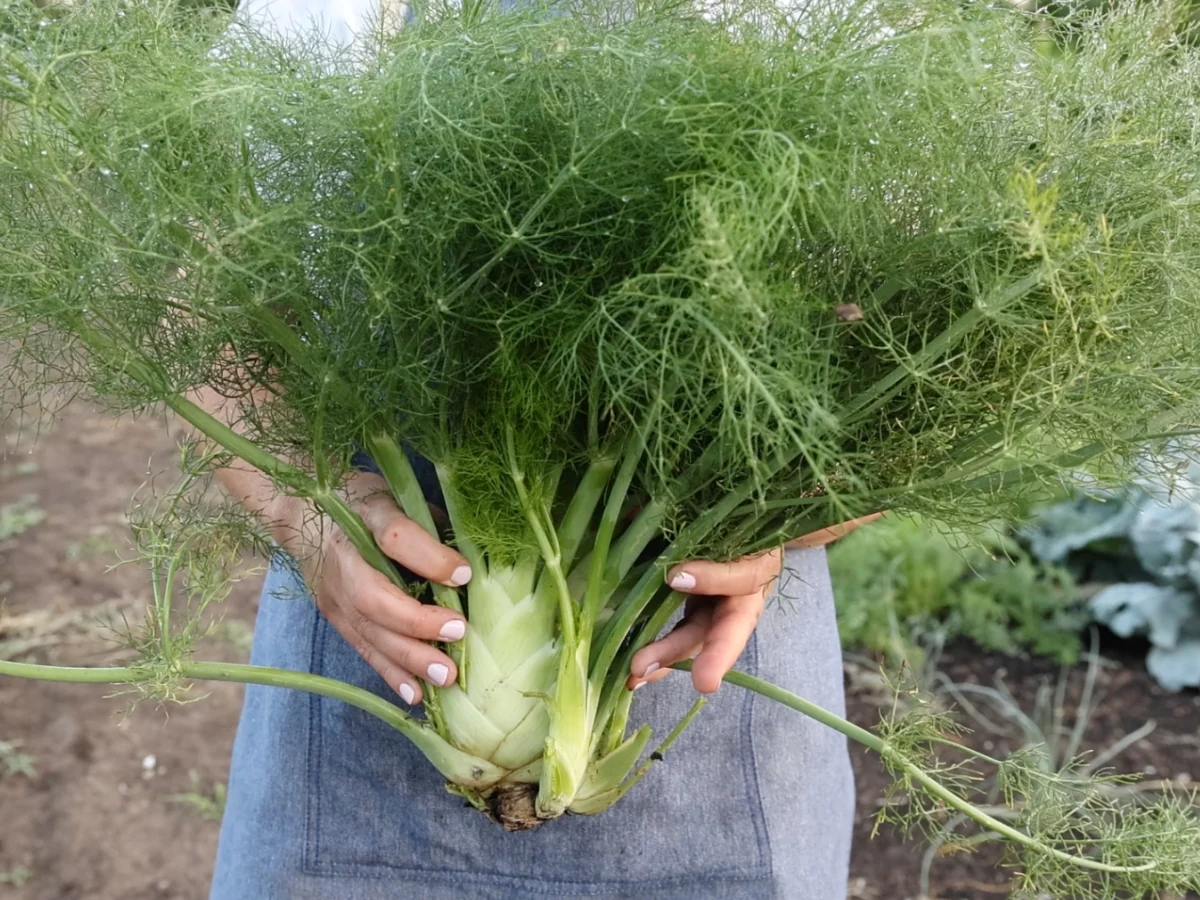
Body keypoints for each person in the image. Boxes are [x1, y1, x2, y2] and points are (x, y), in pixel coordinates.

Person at [204, 2, 856, 898]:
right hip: (376, 611)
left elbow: (918, 396)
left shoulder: (851, 30)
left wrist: (777, 520)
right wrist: (298, 502)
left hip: (700, 646)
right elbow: (203, 302)